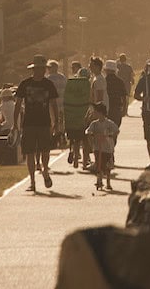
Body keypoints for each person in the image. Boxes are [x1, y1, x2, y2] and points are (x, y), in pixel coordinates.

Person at [14, 55, 60, 192]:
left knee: (45, 150)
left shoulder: (48, 85)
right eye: (38, 69)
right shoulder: (25, 84)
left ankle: (45, 170)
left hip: (44, 122)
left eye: (42, 69)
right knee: (29, 153)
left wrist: (56, 121)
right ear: (33, 69)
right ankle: (32, 181)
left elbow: (53, 104)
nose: (40, 71)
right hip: (28, 122)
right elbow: (18, 104)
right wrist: (15, 123)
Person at [85, 102, 118, 191]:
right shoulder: (94, 124)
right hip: (97, 147)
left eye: (95, 112)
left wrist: (109, 135)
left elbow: (116, 130)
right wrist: (92, 135)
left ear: (100, 113)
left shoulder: (109, 123)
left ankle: (108, 181)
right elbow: (88, 131)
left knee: (107, 166)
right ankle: (99, 180)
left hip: (107, 148)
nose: (94, 114)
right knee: (99, 164)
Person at [63, 70, 92, 169]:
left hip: (71, 114)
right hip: (83, 114)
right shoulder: (87, 85)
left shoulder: (71, 84)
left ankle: (75, 156)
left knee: (75, 140)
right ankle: (85, 161)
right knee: (85, 140)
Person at [46, 60, 67, 145]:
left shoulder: (48, 79)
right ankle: (61, 137)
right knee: (61, 121)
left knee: (52, 121)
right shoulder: (63, 77)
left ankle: (54, 138)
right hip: (62, 103)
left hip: (51, 104)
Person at [104, 60, 128, 128]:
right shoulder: (120, 81)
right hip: (116, 109)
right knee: (115, 130)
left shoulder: (104, 81)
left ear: (106, 70)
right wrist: (124, 109)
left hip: (106, 109)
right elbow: (124, 96)